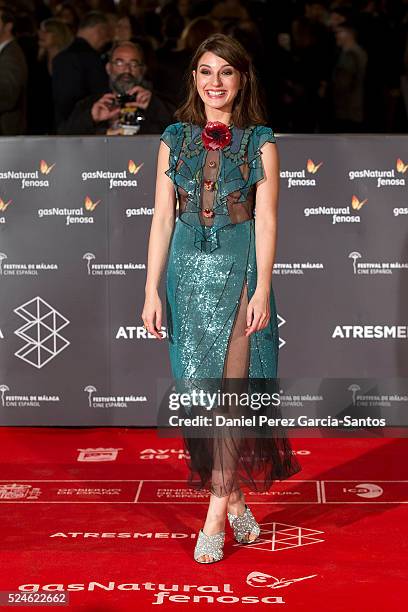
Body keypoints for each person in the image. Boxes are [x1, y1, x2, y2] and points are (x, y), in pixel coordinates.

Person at [141, 33, 301, 564]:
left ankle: (214, 513)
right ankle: (234, 500)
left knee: (230, 395)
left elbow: (268, 219)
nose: (215, 82)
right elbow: (163, 217)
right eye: (206, 72)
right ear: (193, 80)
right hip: (187, 268)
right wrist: (151, 288)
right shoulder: (173, 138)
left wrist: (261, 287)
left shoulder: (261, 141)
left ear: (241, 79)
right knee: (201, 396)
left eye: (226, 72)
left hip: (238, 266)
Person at [57, 40, 175, 135]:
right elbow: (63, 138)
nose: (127, 70)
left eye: (133, 64)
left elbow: (184, 135)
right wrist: (91, 118)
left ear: (142, 70)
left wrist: (154, 106)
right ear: (108, 68)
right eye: (119, 63)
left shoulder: (158, 103)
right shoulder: (92, 105)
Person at [52, 10, 111, 129]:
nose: (106, 40)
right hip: (85, 125)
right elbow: (100, 93)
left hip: (62, 126)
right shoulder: (92, 59)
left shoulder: (60, 57)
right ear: (100, 30)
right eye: (106, 34)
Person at [0, 3, 28, 135]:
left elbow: (7, 94)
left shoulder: (12, 55)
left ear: (8, 26)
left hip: (6, 132)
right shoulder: (5, 52)